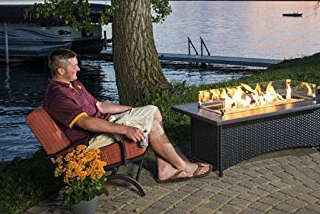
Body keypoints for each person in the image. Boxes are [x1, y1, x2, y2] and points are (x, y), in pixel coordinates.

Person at [44, 49, 212, 182]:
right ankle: (182, 166)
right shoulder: (58, 97)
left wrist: (130, 109)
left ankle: (164, 167)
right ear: (60, 70)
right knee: (152, 124)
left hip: (105, 123)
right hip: (91, 140)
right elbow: (86, 123)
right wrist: (125, 129)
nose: (78, 68)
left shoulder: (74, 85)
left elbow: (99, 106)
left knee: (152, 110)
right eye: (74, 66)